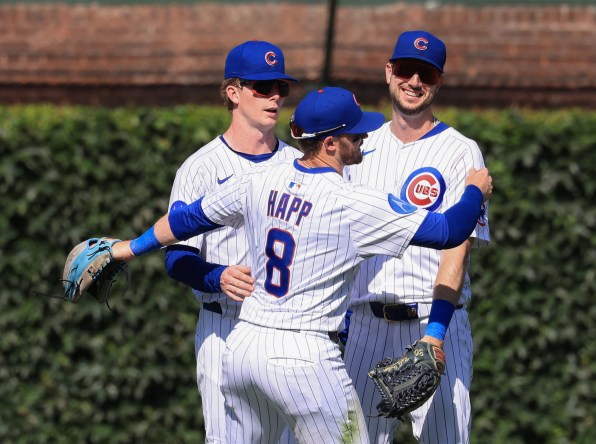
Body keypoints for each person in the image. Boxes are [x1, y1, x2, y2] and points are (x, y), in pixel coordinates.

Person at [107, 86, 492, 443]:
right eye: (354, 133)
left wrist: (125, 249)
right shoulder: (351, 202)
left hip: (244, 348)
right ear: (329, 143)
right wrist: (475, 189)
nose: (363, 137)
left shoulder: (259, 178)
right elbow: (449, 230)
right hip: (304, 357)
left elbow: (186, 219)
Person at [343, 30, 491, 444]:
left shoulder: (462, 151)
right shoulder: (360, 146)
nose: (414, 81)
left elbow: (458, 248)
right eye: (406, 69)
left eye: (426, 73)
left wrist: (436, 335)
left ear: (438, 81)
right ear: (389, 72)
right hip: (365, 325)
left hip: (433, 321)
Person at [164, 40, 300, 442]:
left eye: (280, 87)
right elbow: (176, 258)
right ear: (233, 92)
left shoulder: (298, 165)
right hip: (225, 328)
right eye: (262, 87)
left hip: (287, 332)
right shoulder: (200, 167)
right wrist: (216, 276)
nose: (274, 96)